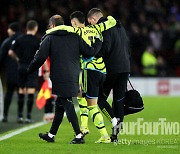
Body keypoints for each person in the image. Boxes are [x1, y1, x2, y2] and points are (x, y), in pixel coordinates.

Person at [27, 15, 103, 144]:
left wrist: (29, 70)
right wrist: (98, 41)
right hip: (73, 75)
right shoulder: (75, 36)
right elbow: (89, 52)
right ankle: (51, 135)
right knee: (60, 105)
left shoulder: (49, 38)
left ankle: (78, 135)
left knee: (67, 103)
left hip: (59, 76)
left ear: (52, 25)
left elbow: (40, 57)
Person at [46, 11, 117, 143]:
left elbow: (62, 28)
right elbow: (111, 22)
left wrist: (48, 32)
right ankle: (84, 127)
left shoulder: (76, 32)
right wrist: (111, 18)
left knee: (91, 105)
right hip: (102, 70)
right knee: (81, 96)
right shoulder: (96, 27)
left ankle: (104, 135)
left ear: (73, 22)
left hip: (89, 70)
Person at [87, 8, 131, 142]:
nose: (91, 27)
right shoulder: (120, 26)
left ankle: (113, 121)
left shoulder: (104, 27)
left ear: (94, 19)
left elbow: (105, 48)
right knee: (119, 100)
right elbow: (126, 46)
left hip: (112, 68)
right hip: (125, 67)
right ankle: (115, 136)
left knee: (99, 99)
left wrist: (92, 56)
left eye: (90, 23)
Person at [8, 20, 40, 123]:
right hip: (32, 68)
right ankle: (28, 117)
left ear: (26, 28)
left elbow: (10, 52)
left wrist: (18, 59)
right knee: (30, 92)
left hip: (21, 67)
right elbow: (40, 54)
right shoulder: (37, 41)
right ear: (35, 28)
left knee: (21, 90)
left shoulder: (19, 39)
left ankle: (20, 116)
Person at [0, 22, 21, 122]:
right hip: (22, 72)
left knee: (8, 94)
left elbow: (1, 58)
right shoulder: (23, 40)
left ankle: (5, 115)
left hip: (10, 73)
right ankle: (21, 116)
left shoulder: (6, 42)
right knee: (20, 94)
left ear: (11, 30)